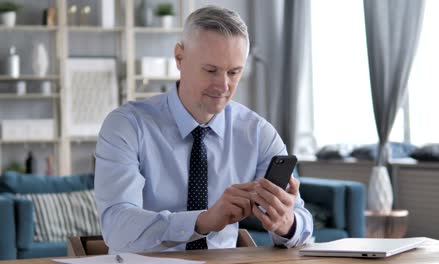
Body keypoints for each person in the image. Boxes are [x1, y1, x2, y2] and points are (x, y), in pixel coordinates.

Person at [95, 5, 313, 254]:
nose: (223, 85)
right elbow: (117, 227)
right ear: (180, 57)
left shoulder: (258, 134)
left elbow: (302, 222)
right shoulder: (126, 126)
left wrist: (287, 224)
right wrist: (204, 221)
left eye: (234, 72)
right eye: (211, 70)